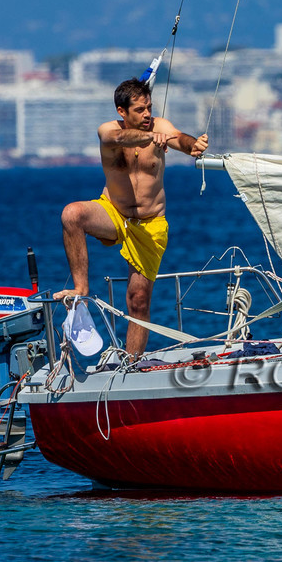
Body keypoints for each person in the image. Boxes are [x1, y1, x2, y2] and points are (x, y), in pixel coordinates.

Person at [56, 78, 208, 360]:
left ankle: (131, 361)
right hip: (113, 212)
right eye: (139, 110)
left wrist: (193, 144)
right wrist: (150, 138)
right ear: (122, 112)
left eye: (149, 107)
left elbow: (178, 138)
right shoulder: (109, 130)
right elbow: (115, 139)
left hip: (150, 223)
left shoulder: (159, 127)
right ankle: (81, 289)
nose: (147, 114)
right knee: (72, 214)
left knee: (137, 299)